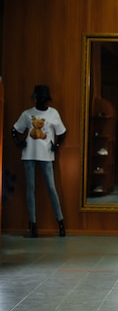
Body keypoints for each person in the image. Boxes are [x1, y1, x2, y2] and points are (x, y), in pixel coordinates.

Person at [12, 85, 67, 238]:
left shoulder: (53, 113)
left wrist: (56, 146)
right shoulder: (27, 114)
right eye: (39, 98)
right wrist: (18, 142)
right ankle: (33, 224)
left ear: (47, 99)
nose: (41, 100)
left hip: (46, 155)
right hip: (29, 154)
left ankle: (61, 222)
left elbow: (62, 132)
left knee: (51, 187)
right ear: (35, 98)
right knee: (30, 188)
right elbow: (15, 130)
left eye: (44, 98)